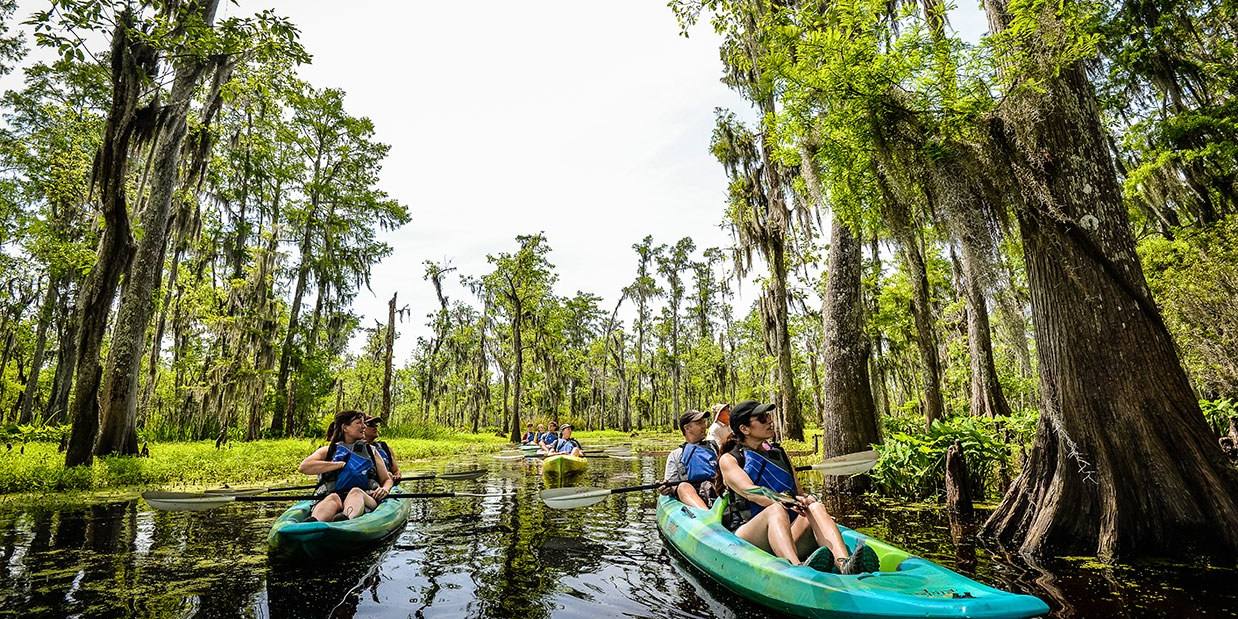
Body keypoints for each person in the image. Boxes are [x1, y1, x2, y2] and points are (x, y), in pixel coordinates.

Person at [718, 400, 878, 574]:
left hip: (784, 533)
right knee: (776, 509)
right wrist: (785, 500)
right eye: (762, 418)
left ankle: (843, 564)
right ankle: (796, 569)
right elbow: (751, 492)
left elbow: (799, 492)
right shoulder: (730, 459)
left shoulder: (779, 454)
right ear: (744, 429)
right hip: (750, 535)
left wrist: (805, 499)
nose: (770, 421)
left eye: (769, 416)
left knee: (814, 506)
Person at [298, 410, 394, 522]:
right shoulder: (328, 451)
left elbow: (387, 479)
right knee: (332, 498)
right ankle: (314, 524)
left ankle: (345, 519)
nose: (364, 426)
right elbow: (304, 467)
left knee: (355, 492)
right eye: (359, 423)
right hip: (334, 495)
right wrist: (339, 465)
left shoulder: (371, 451)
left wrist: (385, 489)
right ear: (345, 428)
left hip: (365, 496)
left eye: (363, 423)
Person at [662, 409, 719, 509]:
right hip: (693, 493)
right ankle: (706, 514)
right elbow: (672, 485)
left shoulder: (714, 447)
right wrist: (667, 488)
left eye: (704, 422)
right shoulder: (676, 455)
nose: (704, 426)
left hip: (716, 488)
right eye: (699, 423)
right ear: (687, 428)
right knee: (683, 487)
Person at [364, 415, 401, 484]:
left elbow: (396, 470)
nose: (375, 427)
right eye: (371, 424)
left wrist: (397, 475)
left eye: (376, 424)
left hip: (390, 486)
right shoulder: (356, 450)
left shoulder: (384, 447)